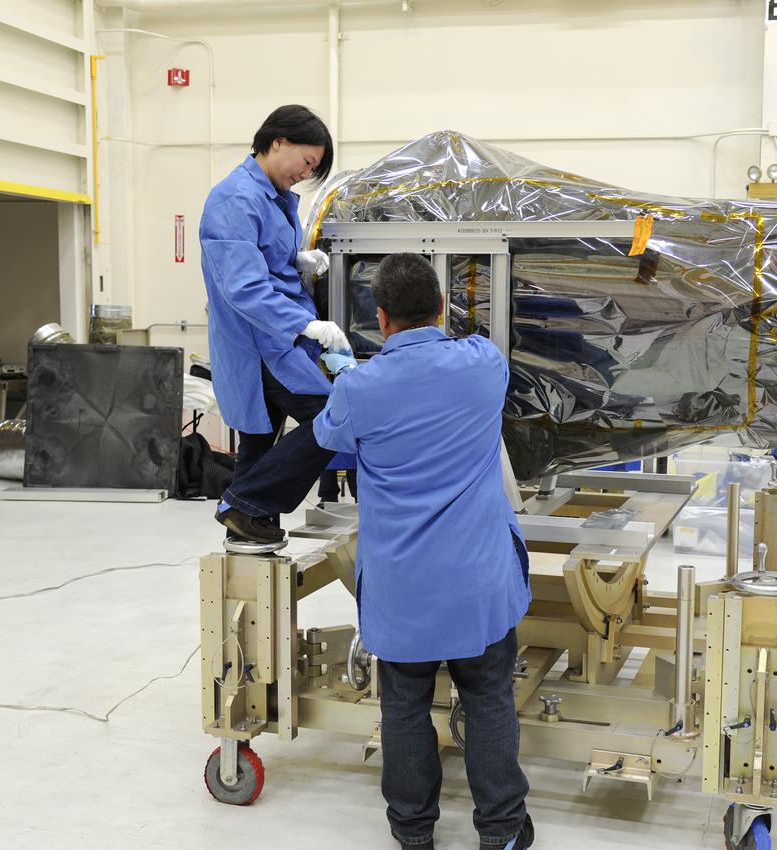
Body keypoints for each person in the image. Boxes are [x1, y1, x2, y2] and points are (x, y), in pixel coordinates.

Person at [313, 253, 534, 850]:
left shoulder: (359, 388)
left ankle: (413, 834)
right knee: (489, 700)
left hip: (402, 589)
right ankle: (502, 832)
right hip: (478, 582)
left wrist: (346, 371)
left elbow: (329, 435)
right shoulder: (484, 364)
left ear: (380, 318)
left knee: (405, 708)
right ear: (441, 307)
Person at [198, 104, 355, 541]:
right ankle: (243, 503)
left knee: (259, 437)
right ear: (278, 142)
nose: (305, 174)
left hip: (276, 338)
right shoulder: (236, 198)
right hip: (262, 344)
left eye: (313, 169)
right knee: (331, 416)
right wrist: (306, 325)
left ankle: (247, 528)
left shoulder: (269, 194)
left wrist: (295, 261)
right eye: (306, 162)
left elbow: (262, 260)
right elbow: (244, 287)